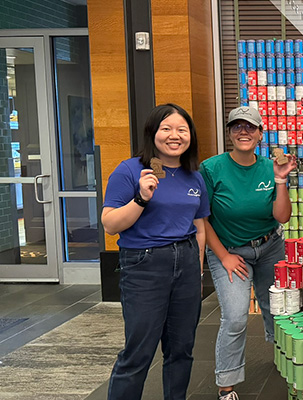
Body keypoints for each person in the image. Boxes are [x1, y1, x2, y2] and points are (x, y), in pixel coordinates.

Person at [102, 103, 209, 400]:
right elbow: (110, 225)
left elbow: (199, 227)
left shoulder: (194, 176)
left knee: (181, 348)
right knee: (139, 351)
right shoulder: (130, 170)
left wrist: (197, 271)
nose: (175, 136)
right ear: (153, 132)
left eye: (182, 130)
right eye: (167, 129)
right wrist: (141, 198)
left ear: (190, 136)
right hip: (144, 264)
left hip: (186, 262)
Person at [200, 106, 296, 400]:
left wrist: (280, 180)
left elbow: (282, 217)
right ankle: (226, 385)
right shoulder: (211, 168)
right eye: (237, 126)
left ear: (260, 134)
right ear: (229, 133)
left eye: (250, 127)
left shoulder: (271, 167)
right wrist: (224, 256)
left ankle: (283, 359)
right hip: (228, 250)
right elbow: (201, 218)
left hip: (269, 247)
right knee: (236, 316)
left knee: (278, 308)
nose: (244, 131)